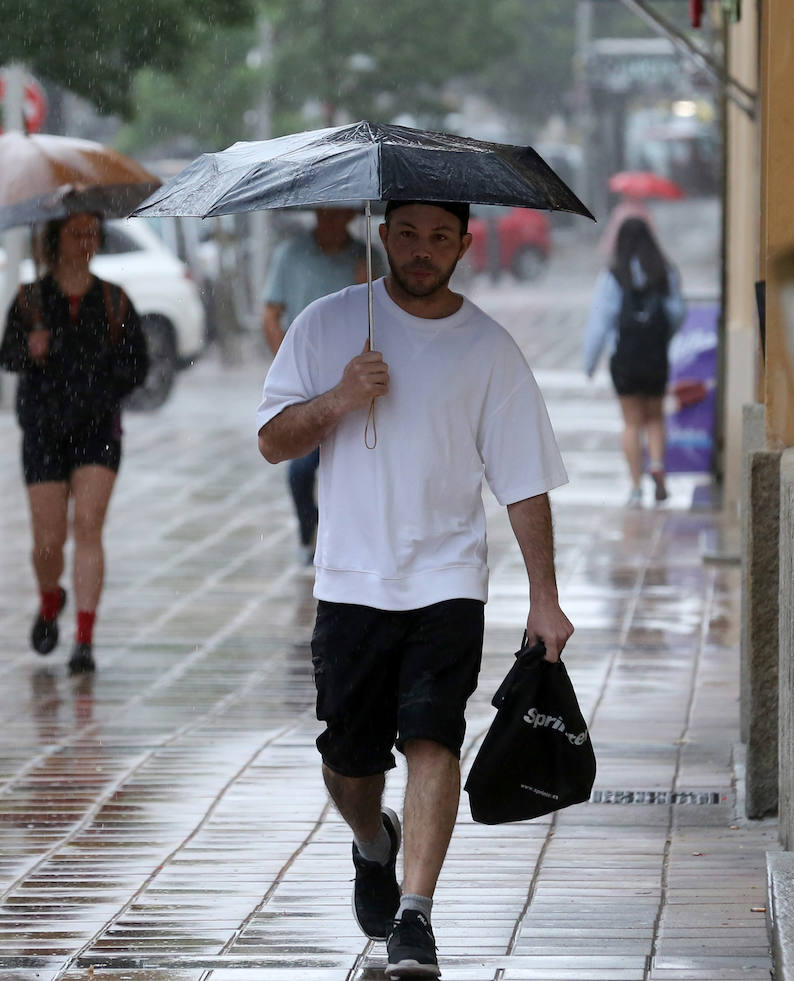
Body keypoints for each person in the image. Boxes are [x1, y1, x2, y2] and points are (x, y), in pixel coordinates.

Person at [256, 200, 574, 979]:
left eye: (440, 238)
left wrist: (544, 595)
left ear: (466, 243)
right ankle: (374, 842)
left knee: (434, 741)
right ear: (385, 233)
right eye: (408, 234)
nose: (423, 251)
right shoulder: (330, 324)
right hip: (352, 580)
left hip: (448, 579)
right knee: (348, 759)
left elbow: (524, 481)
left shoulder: (489, 350)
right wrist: (339, 397)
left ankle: (414, 915)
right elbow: (271, 440)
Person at [0, 213, 149, 675]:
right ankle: (50, 599)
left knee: (87, 525)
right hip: (42, 430)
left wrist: (103, 386)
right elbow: (6, 357)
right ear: (55, 239)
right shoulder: (30, 300)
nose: (85, 241)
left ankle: (84, 639)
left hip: (98, 430)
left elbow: (138, 364)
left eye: (91, 233)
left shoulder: (114, 300)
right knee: (48, 542)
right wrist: (31, 349)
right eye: (75, 233)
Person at [262, 207, 367, 565]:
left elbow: (386, 311)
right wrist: (286, 363)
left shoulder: (367, 257)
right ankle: (309, 531)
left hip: (355, 380)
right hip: (307, 383)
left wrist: (368, 282)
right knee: (302, 467)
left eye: (340, 215)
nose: (333, 221)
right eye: (327, 214)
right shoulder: (290, 254)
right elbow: (270, 313)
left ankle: (350, 538)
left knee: (355, 466)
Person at [582, 216, 686, 506]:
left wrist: (589, 363)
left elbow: (600, 322)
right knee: (655, 416)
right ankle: (657, 464)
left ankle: (636, 486)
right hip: (655, 358)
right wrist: (661, 338)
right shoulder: (665, 272)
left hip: (625, 360)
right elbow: (677, 313)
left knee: (631, 422)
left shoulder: (613, 275)